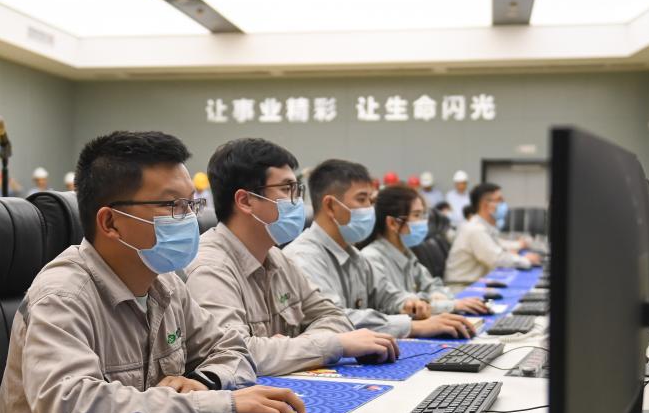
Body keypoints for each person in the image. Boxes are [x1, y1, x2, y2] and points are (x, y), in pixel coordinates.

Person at [0, 130, 308, 413]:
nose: (189, 219)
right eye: (173, 206)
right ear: (110, 222)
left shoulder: (165, 283)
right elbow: (71, 410)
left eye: (191, 204)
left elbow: (235, 350)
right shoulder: (62, 295)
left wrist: (205, 382)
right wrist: (219, 406)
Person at [186, 138, 399, 377]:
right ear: (245, 201)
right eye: (287, 189)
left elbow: (334, 316)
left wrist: (298, 347)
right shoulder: (211, 267)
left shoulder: (278, 258)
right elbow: (234, 354)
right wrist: (333, 345)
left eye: (297, 190)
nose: (297, 201)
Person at [284, 159, 474, 339]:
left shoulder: (355, 256)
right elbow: (335, 319)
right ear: (331, 206)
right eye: (362, 199)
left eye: (371, 200)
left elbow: (388, 295)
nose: (370, 208)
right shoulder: (304, 258)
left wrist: (408, 303)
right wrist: (413, 326)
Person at [362, 185, 489, 316]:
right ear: (393, 223)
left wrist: (436, 295)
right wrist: (451, 305)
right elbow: (402, 307)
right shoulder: (372, 259)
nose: (423, 222)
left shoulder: (407, 254)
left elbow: (433, 285)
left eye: (423, 215)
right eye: (416, 215)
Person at [444, 182, 541, 287]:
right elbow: (497, 259)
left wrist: (517, 247)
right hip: (462, 289)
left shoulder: (482, 226)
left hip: (473, 285)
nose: (504, 204)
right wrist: (526, 260)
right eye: (499, 200)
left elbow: (497, 246)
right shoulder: (475, 229)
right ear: (485, 205)